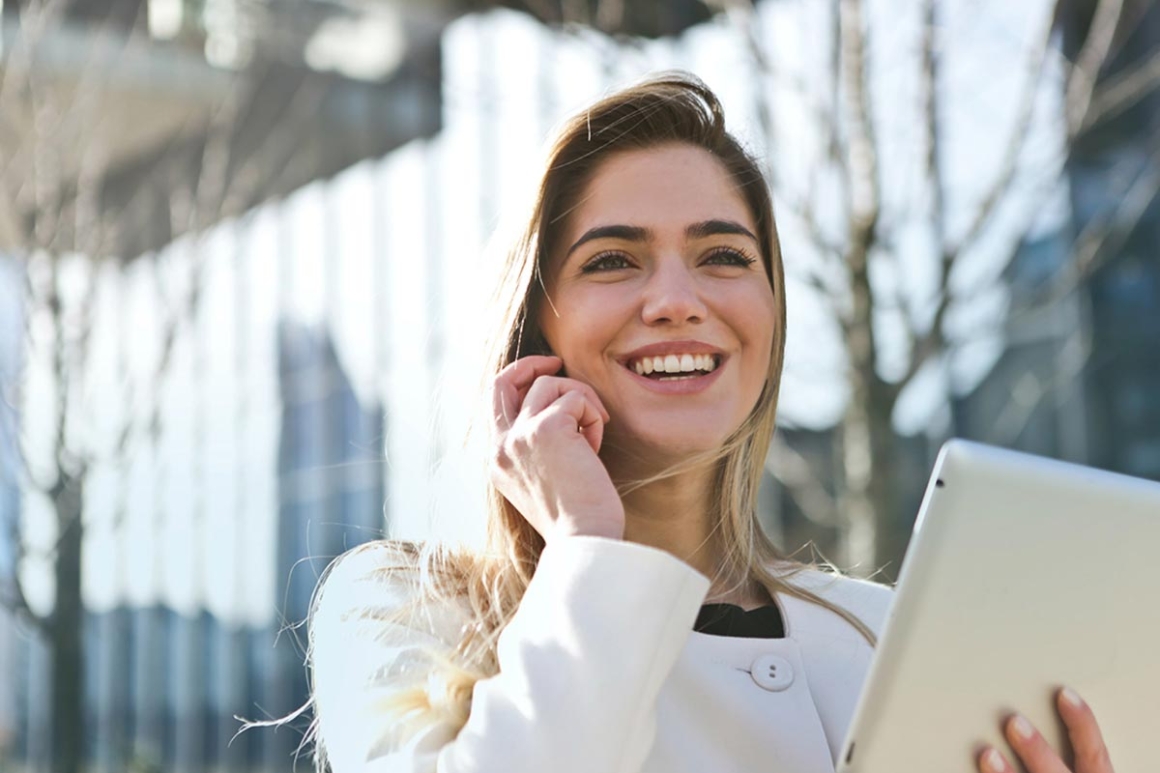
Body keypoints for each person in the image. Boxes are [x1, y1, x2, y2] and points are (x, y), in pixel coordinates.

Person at [307, 73, 1115, 773]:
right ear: (535, 328)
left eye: (723, 256)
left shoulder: (884, 637)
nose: (677, 300)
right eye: (613, 259)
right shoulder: (398, 611)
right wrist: (589, 544)